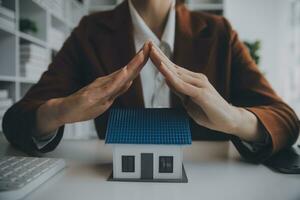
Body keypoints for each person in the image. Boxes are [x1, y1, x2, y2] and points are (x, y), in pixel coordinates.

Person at [2, 0, 299, 162]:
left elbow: (286, 121)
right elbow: (17, 120)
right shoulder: (90, 31)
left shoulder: (219, 32)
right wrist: (62, 109)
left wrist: (233, 119)